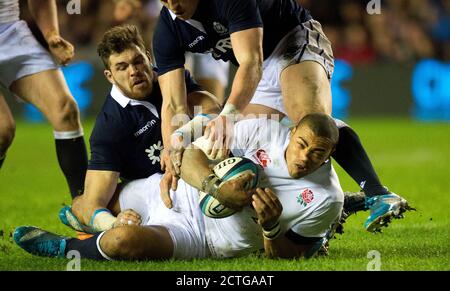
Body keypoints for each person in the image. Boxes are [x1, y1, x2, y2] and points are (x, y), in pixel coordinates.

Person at [152, 0, 410, 232]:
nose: (172, 3)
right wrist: (172, 149)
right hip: (259, 68)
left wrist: (228, 116)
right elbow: (174, 104)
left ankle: (378, 193)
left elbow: (250, 62)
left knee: (309, 121)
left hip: (293, 38)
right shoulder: (167, 28)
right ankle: (326, 212)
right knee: (242, 138)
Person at [14, 113, 345, 260]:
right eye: (301, 144)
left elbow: (289, 258)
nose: (304, 157)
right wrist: (216, 187)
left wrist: (271, 229)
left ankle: (66, 248)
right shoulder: (264, 131)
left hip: (201, 237)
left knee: (122, 241)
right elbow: (190, 155)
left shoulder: (327, 199)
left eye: (318, 153)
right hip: (172, 191)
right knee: (85, 202)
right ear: (292, 132)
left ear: (329, 155)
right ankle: (88, 222)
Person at [58, 24, 220, 234]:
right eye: (122, 67)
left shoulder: (169, 79)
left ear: (148, 57)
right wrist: (113, 223)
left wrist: (178, 139)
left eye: (138, 61)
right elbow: (95, 201)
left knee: (220, 132)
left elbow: (212, 108)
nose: (134, 72)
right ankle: (79, 236)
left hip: (194, 169)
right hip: (151, 189)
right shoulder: (109, 125)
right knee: (83, 203)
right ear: (109, 76)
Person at [0, 0, 87, 198]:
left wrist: (51, 35)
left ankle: (85, 211)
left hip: (10, 32)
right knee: (2, 130)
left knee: (65, 109)